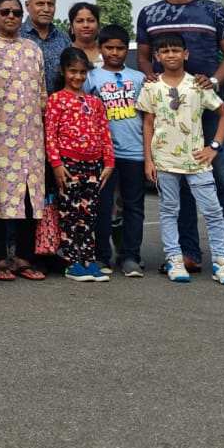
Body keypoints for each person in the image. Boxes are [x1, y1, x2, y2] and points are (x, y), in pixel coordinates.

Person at [135, 0, 224, 276]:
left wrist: (213, 81)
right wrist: (150, 75)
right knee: (177, 186)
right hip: (169, 110)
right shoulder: (149, 13)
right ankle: (187, 254)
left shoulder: (213, 11)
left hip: (206, 105)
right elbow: (142, 58)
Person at [138, 31, 224, 285]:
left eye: (176, 50)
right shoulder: (151, 86)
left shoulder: (198, 85)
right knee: (169, 210)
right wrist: (149, 160)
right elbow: (148, 123)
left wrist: (213, 147)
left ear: (186, 54)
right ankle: (174, 258)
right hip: (164, 161)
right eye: (165, 51)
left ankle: (222, 262)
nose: (171, 55)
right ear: (157, 56)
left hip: (197, 161)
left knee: (213, 211)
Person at [0, 0, 47, 281]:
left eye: (16, 13)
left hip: (32, 137)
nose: (11, 16)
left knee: (30, 198)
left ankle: (24, 258)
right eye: (5, 12)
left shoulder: (33, 49)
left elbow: (43, 92)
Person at [44, 47, 113, 282]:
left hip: (94, 166)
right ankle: (72, 262)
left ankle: (88, 259)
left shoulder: (94, 102)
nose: (78, 77)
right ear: (63, 71)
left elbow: (105, 132)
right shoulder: (55, 100)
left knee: (89, 214)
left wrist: (109, 163)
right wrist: (56, 163)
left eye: (83, 72)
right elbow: (50, 134)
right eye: (73, 71)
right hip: (68, 166)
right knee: (70, 214)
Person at [87, 24, 147, 277]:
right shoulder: (92, 77)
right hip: (104, 155)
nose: (114, 52)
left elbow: (148, 117)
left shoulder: (139, 78)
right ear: (100, 49)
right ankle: (102, 255)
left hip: (135, 152)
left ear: (126, 49)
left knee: (134, 206)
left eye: (120, 48)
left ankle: (130, 255)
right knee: (103, 205)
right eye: (109, 47)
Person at [22, 0, 71, 91]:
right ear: (27, 5)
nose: (46, 9)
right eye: (40, 4)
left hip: (59, 105)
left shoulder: (64, 39)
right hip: (25, 105)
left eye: (50, 4)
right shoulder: (17, 36)